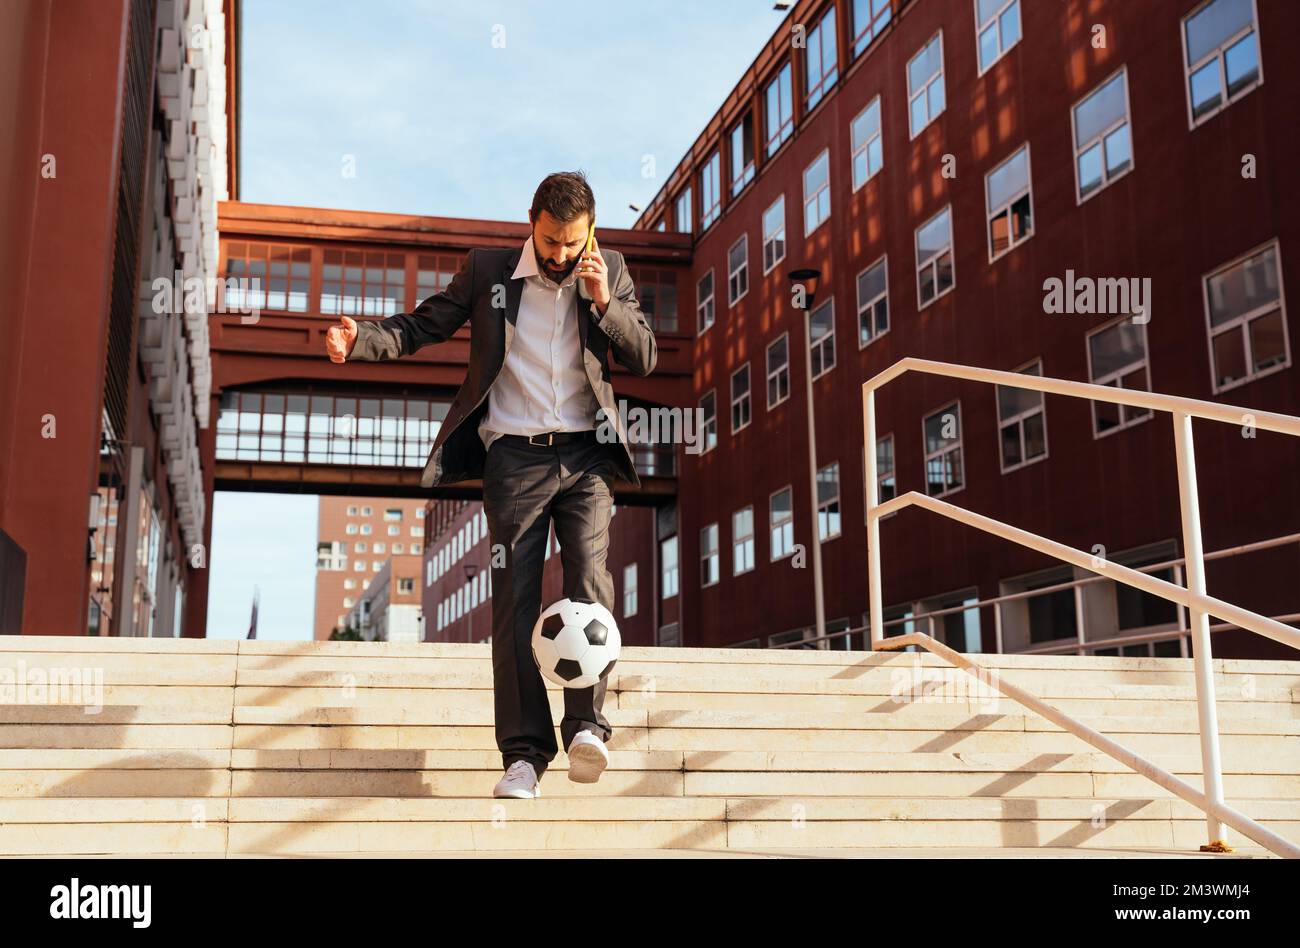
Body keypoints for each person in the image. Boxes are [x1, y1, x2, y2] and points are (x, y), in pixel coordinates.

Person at [325, 171, 656, 798]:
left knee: (591, 579)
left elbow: (645, 356)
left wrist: (605, 302)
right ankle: (524, 754)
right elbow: (425, 325)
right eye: (551, 240)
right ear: (532, 221)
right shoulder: (488, 271)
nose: (560, 255)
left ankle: (587, 726)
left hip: (587, 456)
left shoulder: (608, 267)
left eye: (572, 243)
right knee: (513, 603)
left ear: (592, 234)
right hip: (516, 461)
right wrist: (361, 339)